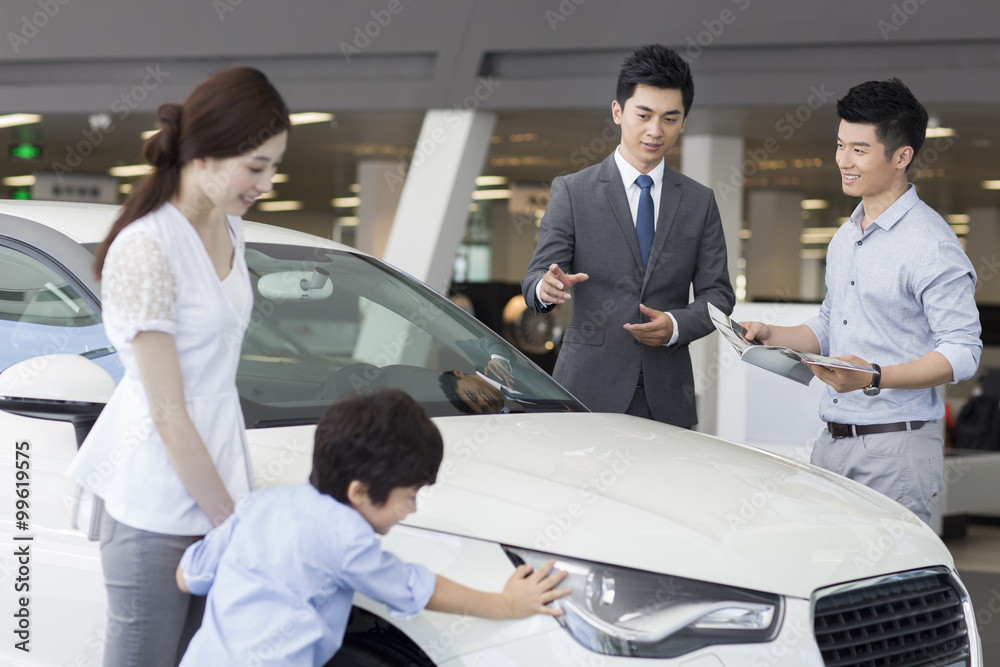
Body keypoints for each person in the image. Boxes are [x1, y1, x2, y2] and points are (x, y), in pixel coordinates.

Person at [66, 67, 291, 666]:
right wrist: (231, 521)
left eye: (273, 167)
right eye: (257, 166)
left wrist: (231, 513)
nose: (266, 183)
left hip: (218, 491)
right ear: (208, 152)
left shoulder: (231, 229)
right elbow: (168, 411)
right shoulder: (147, 247)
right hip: (156, 505)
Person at [175, 390, 568, 666]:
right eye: (409, 495)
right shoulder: (347, 539)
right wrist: (505, 604)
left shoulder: (259, 505)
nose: (411, 510)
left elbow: (188, 576)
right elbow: (417, 587)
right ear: (360, 492)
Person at [739, 78, 982, 524]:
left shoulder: (931, 245)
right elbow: (833, 323)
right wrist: (772, 335)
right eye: (839, 145)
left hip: (896, 449)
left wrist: (873, 376)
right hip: (832, 443)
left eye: (859, 149)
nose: (843, 161)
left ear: (901, 156)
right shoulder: (847, 236)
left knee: (891, 591)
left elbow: (963, 352)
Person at [521, 43, 734, 428]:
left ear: (684, 121)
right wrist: (545, 289)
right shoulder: (572, 191)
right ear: (618, 112)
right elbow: (536, 278)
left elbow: (718, 296)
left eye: (670, 118)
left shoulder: (699, 202)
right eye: (644, 115)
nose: (656, 130)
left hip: (668, 395)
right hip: (587, 391)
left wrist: (675, 325)